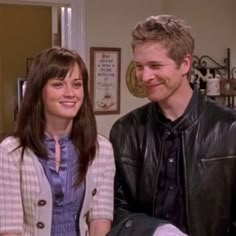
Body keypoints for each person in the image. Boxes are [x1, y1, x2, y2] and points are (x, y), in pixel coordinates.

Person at [108, 14, 236, 236]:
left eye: (155, 65)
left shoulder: (230, 129)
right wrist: (155, 230)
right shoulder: (124, 131)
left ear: (185, 63)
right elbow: (113, 211)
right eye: (139, 66)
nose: (145, 76)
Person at [0, 47, 115, 236]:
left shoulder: (101, 149)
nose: (70, 93)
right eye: (58, 84)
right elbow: (9, 229)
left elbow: (100, 217)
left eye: (77, 84)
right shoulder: (10, 152)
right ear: (39, 91)